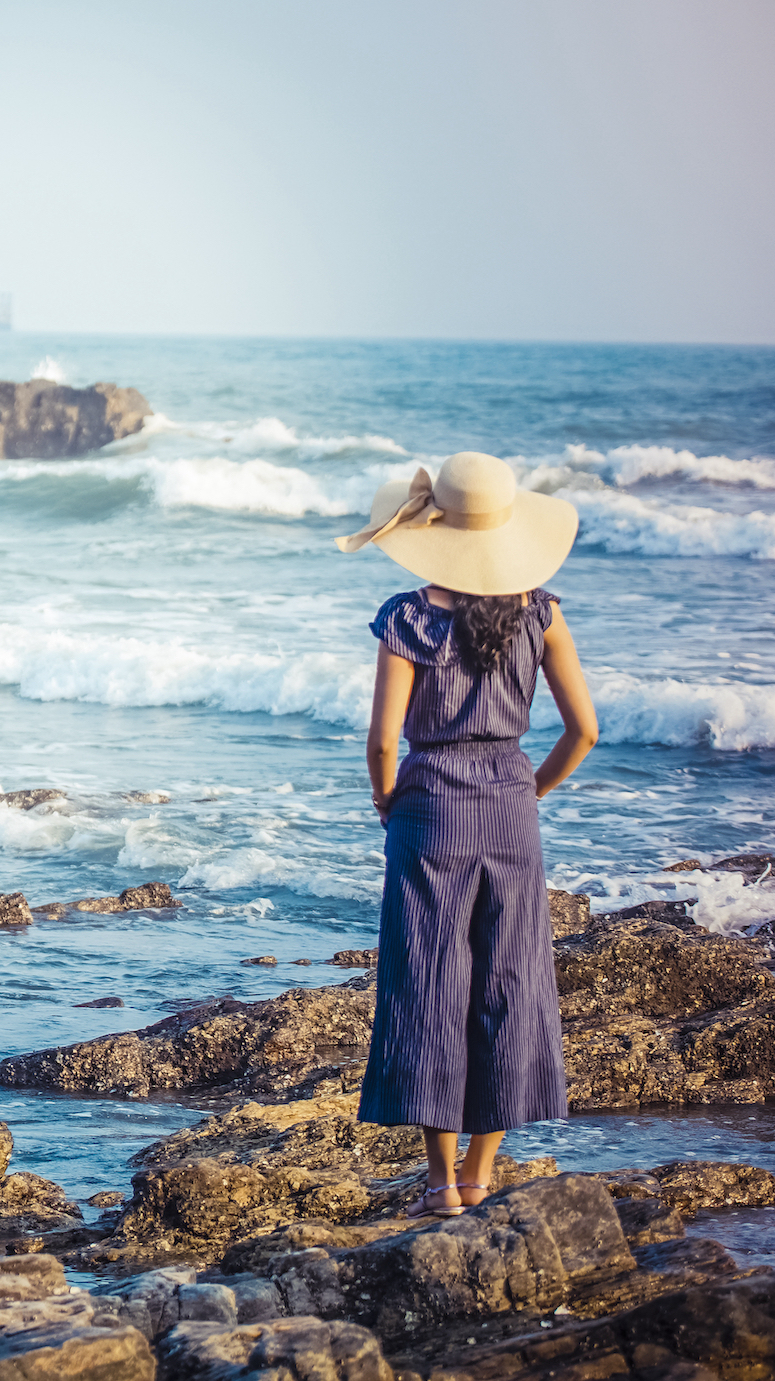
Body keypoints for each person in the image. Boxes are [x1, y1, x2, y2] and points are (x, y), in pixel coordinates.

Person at [334, 451, 599, 1219]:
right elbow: (584, 730)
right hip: (511, 804)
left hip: (429, 809)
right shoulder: (542, 612)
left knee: (428, 985)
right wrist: (530, 789)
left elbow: (383, 741)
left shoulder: (409, 618)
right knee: (510, 986)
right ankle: (484, 1174)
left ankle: (440, 1183)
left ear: (438, 526)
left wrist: (390, 802)